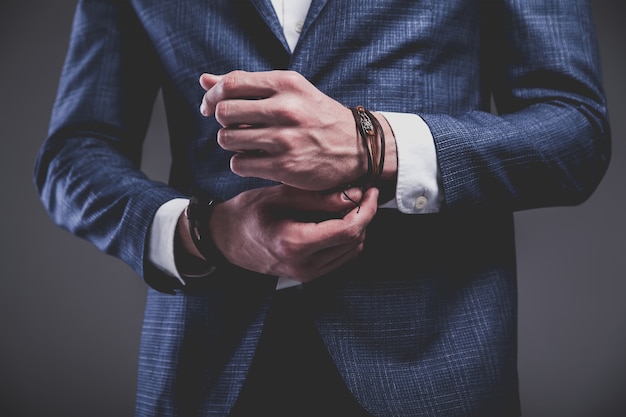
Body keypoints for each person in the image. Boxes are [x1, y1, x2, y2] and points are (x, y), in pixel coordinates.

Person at [34, 0, 611, 416]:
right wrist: (208, 232)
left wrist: (373, 143)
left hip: (435, 368)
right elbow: (74, 154)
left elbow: (575, 130)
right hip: (204, 375)